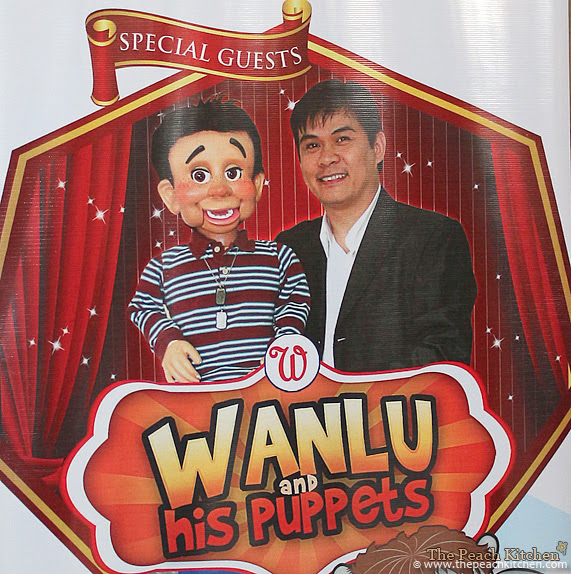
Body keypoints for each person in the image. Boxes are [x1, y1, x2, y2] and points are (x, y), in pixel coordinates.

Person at [277, 79, 477, 372]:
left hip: (393, 403)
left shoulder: (434, 239)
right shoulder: (289, 247)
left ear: (378, 147)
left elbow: (439, 363)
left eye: (342, 139)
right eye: (312, 145)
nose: (326, 158)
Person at [130, 97, 310, 383]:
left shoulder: (279, 257)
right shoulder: (164, 266)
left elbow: (295, 301)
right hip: (196, 396)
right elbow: (142, 307)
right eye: (199, 175)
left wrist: (285, 340)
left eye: (233, 172)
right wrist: (168, 343)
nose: (219, 189)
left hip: (264, 390)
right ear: (170, 195)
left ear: (257, 184)